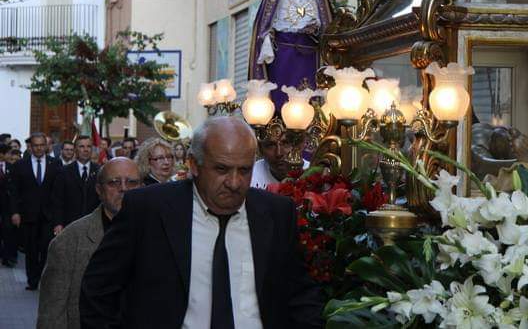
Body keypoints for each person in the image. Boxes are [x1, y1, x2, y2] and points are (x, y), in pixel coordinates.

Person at [80, 117, 323, 328]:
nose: (234, 182)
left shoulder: (277, 213)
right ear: (193, 164)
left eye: (244, 170)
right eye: (222, 169)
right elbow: (99, 290)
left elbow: (300, 295)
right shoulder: (147, 210)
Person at [37, 158, 141, 329]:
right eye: (114, 182)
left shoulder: (155, 232)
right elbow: (52, 314)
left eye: (132, 182)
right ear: (99, 190)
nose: (123, 188)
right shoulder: (68, 241)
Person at [249, 0, 331, 113]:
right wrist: (267, 38)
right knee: (283, 94)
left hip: (308, 55)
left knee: (308, 94)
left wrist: (315, 29)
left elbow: (326, 26)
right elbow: (264, 26)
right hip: (284, 54)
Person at [8, 132, 60, 290]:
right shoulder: (20, 165)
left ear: (46, 146)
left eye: (41, 145)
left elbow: (58, 192)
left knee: (46, 248)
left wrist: (58, 218)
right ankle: (32, 280)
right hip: (28, 214)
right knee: (30, 249)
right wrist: (15, 212)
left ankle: (42, 275)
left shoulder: (55, 163)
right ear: (30, 147)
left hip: (48, 215)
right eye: (35, 145)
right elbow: (14, 191)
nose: (38, 148)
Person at [52, 136, 100, 234]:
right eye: (82, 146)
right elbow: (57, 200)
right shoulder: (64, 172)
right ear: (75, 149)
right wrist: (58, 223)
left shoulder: (100, 171)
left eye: (89, 146)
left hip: (94, 224)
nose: (85, 150)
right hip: (70, 224)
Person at [0, 143, 18, 267]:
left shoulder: (12, 168)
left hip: (7, 207)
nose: (9, 156)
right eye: (7, 153)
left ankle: (7, 257)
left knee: (8, 232)